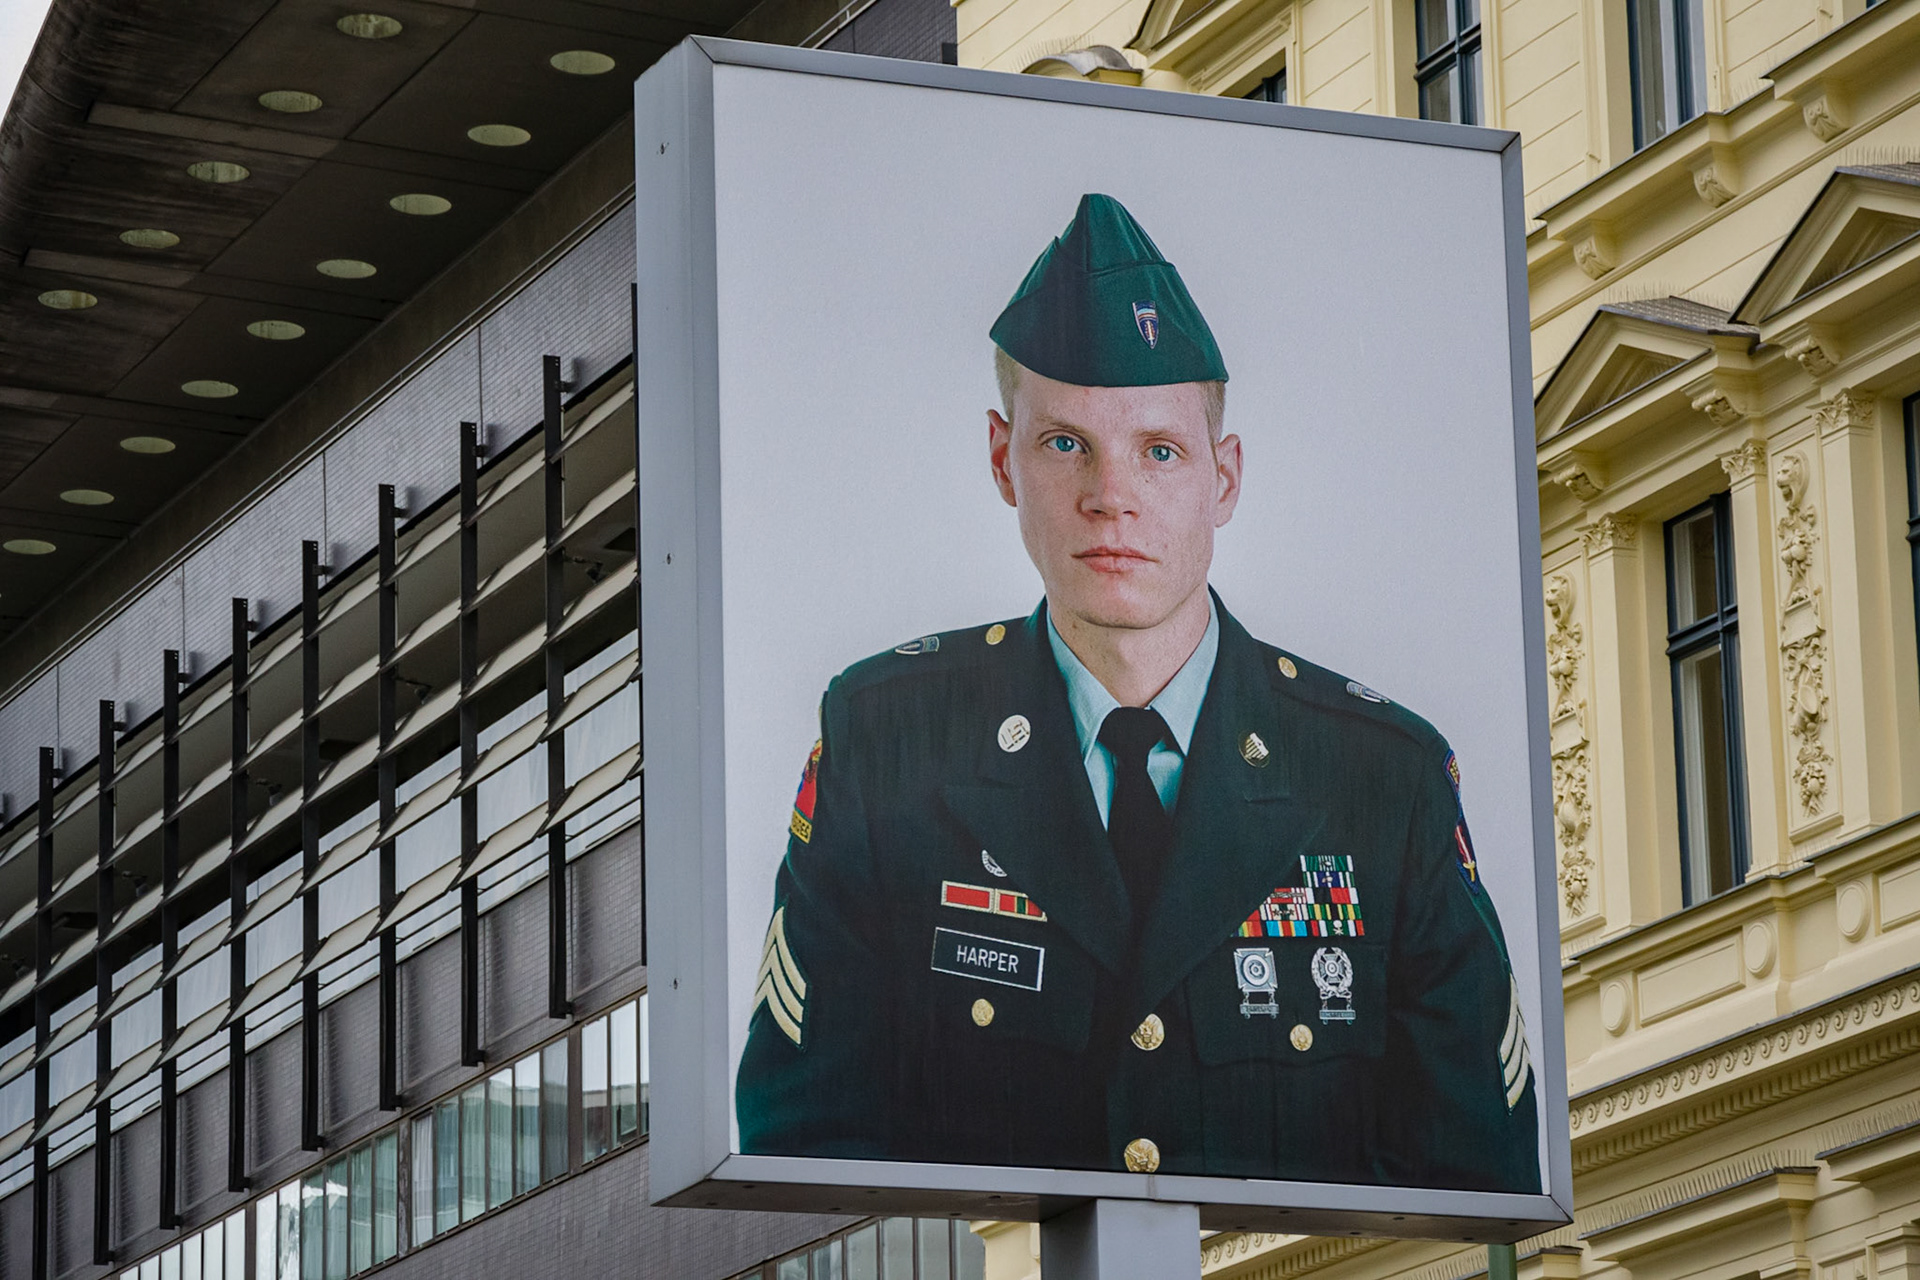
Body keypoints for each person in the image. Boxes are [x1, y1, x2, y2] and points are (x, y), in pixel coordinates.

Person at [734, 193, 1539, 1190]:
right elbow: (801, 1132)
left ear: (1224, 477)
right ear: (1002, 459)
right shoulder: (887, 741)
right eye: (1065, 442)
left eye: (1159, 450)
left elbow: (1478, 1165)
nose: (1111, 493)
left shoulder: (1381, 775)